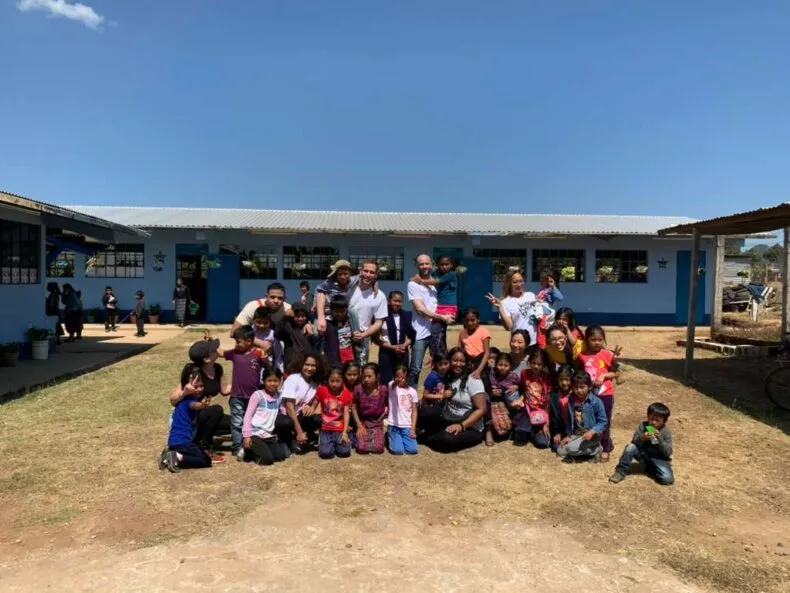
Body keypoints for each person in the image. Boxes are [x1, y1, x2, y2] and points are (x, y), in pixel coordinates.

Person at [169, 337, 231, 463]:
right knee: (216, 410)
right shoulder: (194, 373)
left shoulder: (217, 368)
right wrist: (185, 392)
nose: (217, 350)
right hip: (190, 416)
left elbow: (225, 390)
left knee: (235, 424)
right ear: (206, 359)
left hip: (204, 414)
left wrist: (245, 382)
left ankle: (200, 437)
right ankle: (204, 447)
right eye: (213, 350)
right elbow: (173, 400)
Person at [418, 348, 487, 453]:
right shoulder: (449, 376)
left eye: (462, 361)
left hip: (470, 427)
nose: (458, 364)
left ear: (467, 363)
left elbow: (481, 410)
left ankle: (427, 436)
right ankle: (432, 434)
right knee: (424, 412)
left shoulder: (473, 380)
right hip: (449, 418)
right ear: (449, 361)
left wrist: (461, 426)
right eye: (455, 360)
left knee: (447, 440)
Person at [218, 325, 265, 461]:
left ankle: (252, 445)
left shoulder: (257, 354)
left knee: (251, 421)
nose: (236, 345)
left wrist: (263, 355)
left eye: (238, 342)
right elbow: (221, 353)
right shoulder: (234, 353)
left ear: (249, 341)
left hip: (254, 397)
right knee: (237, 422)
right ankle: (238, 447)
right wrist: (210, 342)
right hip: (237, 396)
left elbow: (268, 358)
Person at [407, 254, 454, 387]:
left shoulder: (437, 282)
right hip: (420, 332)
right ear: (417, 266)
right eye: (421, 264)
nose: (424, 266)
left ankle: (438, 398)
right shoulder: (413, 284)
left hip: (437, 331)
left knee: (441, 366)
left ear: (432, 265)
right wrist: (442, 317)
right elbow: (420, 310)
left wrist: (450, 314)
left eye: (427, 263)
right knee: (415, 369)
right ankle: (412, 401)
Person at [577, 326, 622, 462]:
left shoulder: (607, 354)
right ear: (586, 340)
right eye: (593, 339)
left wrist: (604, 375)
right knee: (591, 421)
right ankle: (595, 444)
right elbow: (580, 375)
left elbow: (617, 373)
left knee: (605, 421)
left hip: (606, 394)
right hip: (589, 395)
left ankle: (606, 447)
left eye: (600, 340)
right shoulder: (582, 356)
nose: (597, 342)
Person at [160, 366, 214, 473]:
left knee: (199, 454)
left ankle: (168, 457)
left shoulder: (180, 401)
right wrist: (203, 405)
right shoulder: (189, 400)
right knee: (206, 460)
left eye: (201, 386)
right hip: (184, 442)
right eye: (196, 386)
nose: (199, 389)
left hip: (173, 442)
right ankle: (177, 458)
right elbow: (194, 405)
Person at [609, 402, 674, 485]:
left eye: (657, 420)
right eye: (651, 419)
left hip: (658, 458)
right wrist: (642, 438)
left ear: (664, 422)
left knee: (667, 480)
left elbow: (668, 453)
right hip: (644, 454)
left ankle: (651, 468)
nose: (653, 422)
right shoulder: (643, 426)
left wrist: (660, 440)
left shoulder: (666, 432)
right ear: (648, 416)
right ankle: (620, 472)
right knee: (630, 447)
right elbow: (634, 441)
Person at [410, 255, 460, 358]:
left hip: (448, 308)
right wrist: (418, 277)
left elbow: (435, 282)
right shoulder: (437, 273)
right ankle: (441, 357)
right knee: (440, 333)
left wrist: (420, 281)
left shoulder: (451, 274)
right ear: (437, 266)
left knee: (436, 331)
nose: (444, 267)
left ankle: (437, 357)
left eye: (447, 264)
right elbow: (426, 274)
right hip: (440, 308)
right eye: (442, 265)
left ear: (452, 265)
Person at [556, 372, 608, 462]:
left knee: (570, 449)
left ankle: (596, 449)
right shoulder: (571, 400)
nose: (579, 390)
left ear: (590, 387)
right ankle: (591, 451)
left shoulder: (596, 402)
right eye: (576, 388)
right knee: (560, 451)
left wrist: (592, 432)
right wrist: (568, 436)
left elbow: (603, 422)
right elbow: (569, 419)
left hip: (591, 436)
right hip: (577, 434)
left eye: (582, 387)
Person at [242, 367, 287, 466]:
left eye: (276, 381)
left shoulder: (279, 396)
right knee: (267, 460)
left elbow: (283, 412)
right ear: (264, 381)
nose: (272, 383)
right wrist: (246, 435)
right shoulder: (257, 395)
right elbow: (248, 416)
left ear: (280, 381)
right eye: (269, 380)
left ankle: (259, 449)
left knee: (280, 457)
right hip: (255, 433)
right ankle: (248, 452)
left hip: (269, 434)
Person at [279, 353, 323, 453]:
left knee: (317, 419)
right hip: (286, 416)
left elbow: (317, 396)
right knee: (286, 422)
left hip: (299, 416)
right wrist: (299, 432)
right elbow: (289, 408)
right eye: (307, 364)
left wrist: (311, 406)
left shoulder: (314, 384)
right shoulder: (293, 379)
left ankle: (306, 436)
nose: (310, 368)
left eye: (313, 365)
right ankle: (286, 438)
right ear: (301, 365)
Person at [348, 260, 388, 364]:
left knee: (360, 369)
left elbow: (379, 322)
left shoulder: (380, 296)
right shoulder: (348, 288)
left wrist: (364, 335)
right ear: (360, 271)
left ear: (376, 275)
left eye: (372, 272)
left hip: (362, 338)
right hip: (343, 336)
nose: (368, 274)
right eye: (365, 271)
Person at [486, 269, 538, 345]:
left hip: (536, 342)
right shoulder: (505, 303)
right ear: (509, 283)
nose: (519, 284)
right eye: (515, 282)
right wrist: (500, 307)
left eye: (521, 281)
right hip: (519, 344)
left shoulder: (531, 295)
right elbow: (509, 327)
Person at [513, 347, 552, 448]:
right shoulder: (524, 373)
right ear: (529, 362)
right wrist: (520, 398)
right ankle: (528, 429)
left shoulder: (547, 378)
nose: (536, 366)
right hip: (528, 411)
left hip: (542, 413)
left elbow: (548, 403)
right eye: (533, 363)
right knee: (520, 437)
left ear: (544, 365)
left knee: (542, 443)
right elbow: (523, 388)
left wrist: (546, 424)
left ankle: (535, 430)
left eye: (539, 364)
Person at [376, 290, 414, 386]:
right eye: (395, 300)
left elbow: (411, 336)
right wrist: (393, 347)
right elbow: (376, 338)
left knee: (402, 380)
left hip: (402, 352)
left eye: (400, 301)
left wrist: (403, 346)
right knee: (386, 380)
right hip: (386, 351)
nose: (397, 303)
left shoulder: (406, 315)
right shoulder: (382, 315)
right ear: (389, 300)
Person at [315, 366, 353, 459]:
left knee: (345, 452)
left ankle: (336, 444)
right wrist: (311, 407)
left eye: (337, 381)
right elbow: (315, 403)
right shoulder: (323, 390)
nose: (334, 384)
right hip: (326, 428)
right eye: (332, 381)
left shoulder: (346, 394)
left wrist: (344, 432)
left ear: (342, 381)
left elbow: (346, 414)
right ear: (328, 380)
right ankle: (327, 443)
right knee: (325, 454)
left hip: (339, 429)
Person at [351, 363, 388, 455]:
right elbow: (353, 407)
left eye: (369, 376)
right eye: (364, 376)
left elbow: (388, 404)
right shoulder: (358, 389)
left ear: (377, 376)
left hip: (377, 422)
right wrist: (359, 425)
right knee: (361, 448)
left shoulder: (383, 390)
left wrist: (385, 416)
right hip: (363, 421)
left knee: (379, 448)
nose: (366, 379)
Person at [315, 260, 360, 334]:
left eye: (345, 274)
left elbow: (365, 277)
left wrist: (375, 284)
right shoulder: (329, 283)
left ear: (350, 273)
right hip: (329, 313)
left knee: (353, 312)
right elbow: (319, 291)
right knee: (317, 333)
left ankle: (358, 337)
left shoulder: (353, 280)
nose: (343, 277)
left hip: (344, 313)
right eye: (340, 274)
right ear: (336, 274)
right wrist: (315, 305)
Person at [487, 351, 520, 445]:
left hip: (508, 402)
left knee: (511, 393)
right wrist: (491, 392)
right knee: (500, 426)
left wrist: (516, 387)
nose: (502, 368)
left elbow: (521, 385)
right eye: (500, 364)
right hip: (494, 401)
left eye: (506, 365)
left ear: (510, 366)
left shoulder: (513, 376)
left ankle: (515, 421)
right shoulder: (491, 373)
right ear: (495, 364)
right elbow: (486, 387)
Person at [387, 366, 419, 455]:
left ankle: (401, 438)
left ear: (408, 377)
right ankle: (390, 436)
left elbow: (414, 411)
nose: (400, 379)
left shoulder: (413, 391)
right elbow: (394, 383)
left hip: (407, 425)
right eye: (397, 376)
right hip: (394, 425)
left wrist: (413, 428)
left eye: (403, 377)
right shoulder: (392, 387)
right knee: (398, 451)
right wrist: (397, 381)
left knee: (413, 450)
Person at [277, 302, 315, 372]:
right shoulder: (288, 327)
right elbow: (277, 334)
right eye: (297, 316)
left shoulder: (309, 328)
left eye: (303, 316)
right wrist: (285, 317)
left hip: (307, 368)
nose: (300, 319)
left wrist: (312, 333)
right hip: (291, 368)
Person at [457, 306, 491, 379]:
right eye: (467, 320)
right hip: (468, 364)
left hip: (481, 364)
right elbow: (459, 350)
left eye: (472, 320)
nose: (469, 323)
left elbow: (486, 353)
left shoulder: (483, 332)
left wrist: (479, 370)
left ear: (478, 320)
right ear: (464, 320)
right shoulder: (462, 333)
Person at [324, 295, 355, 366]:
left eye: (342, 311)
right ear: (331, 310)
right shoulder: (326, 322)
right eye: (336, 311)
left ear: (346, 310)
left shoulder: (350, 321)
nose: (339, 314)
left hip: (348, 364)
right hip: (332, 363)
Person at [549, 365, 574, 452]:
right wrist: (557, 433)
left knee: (569, 447)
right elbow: (554, 418)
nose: (564, 383)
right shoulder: (554, 396)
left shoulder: (576, 395)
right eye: (561, 380)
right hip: (561, 430)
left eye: (567, 379)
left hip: (574, 431)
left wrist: (571, 435)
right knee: (556, 447)